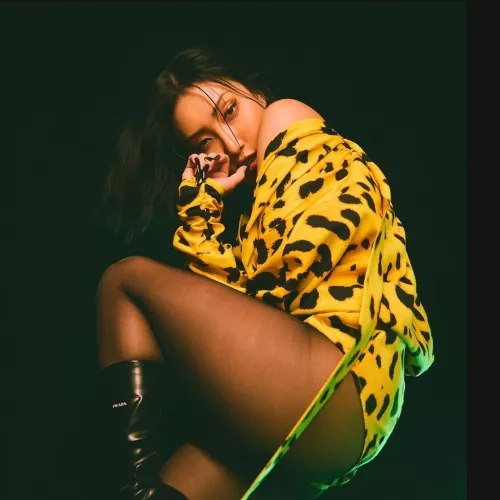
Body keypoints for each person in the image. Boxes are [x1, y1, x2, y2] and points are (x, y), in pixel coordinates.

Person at [94, 45, 434, 500]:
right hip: (331, 417)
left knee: (124, 280)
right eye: (204, 143)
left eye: (230, 111)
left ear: (255, 90)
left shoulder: (285, 116)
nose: (232, 144)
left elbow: (277, 278)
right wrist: (200, 208)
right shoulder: (257, 215)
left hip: (338, 379)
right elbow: (225, 324)